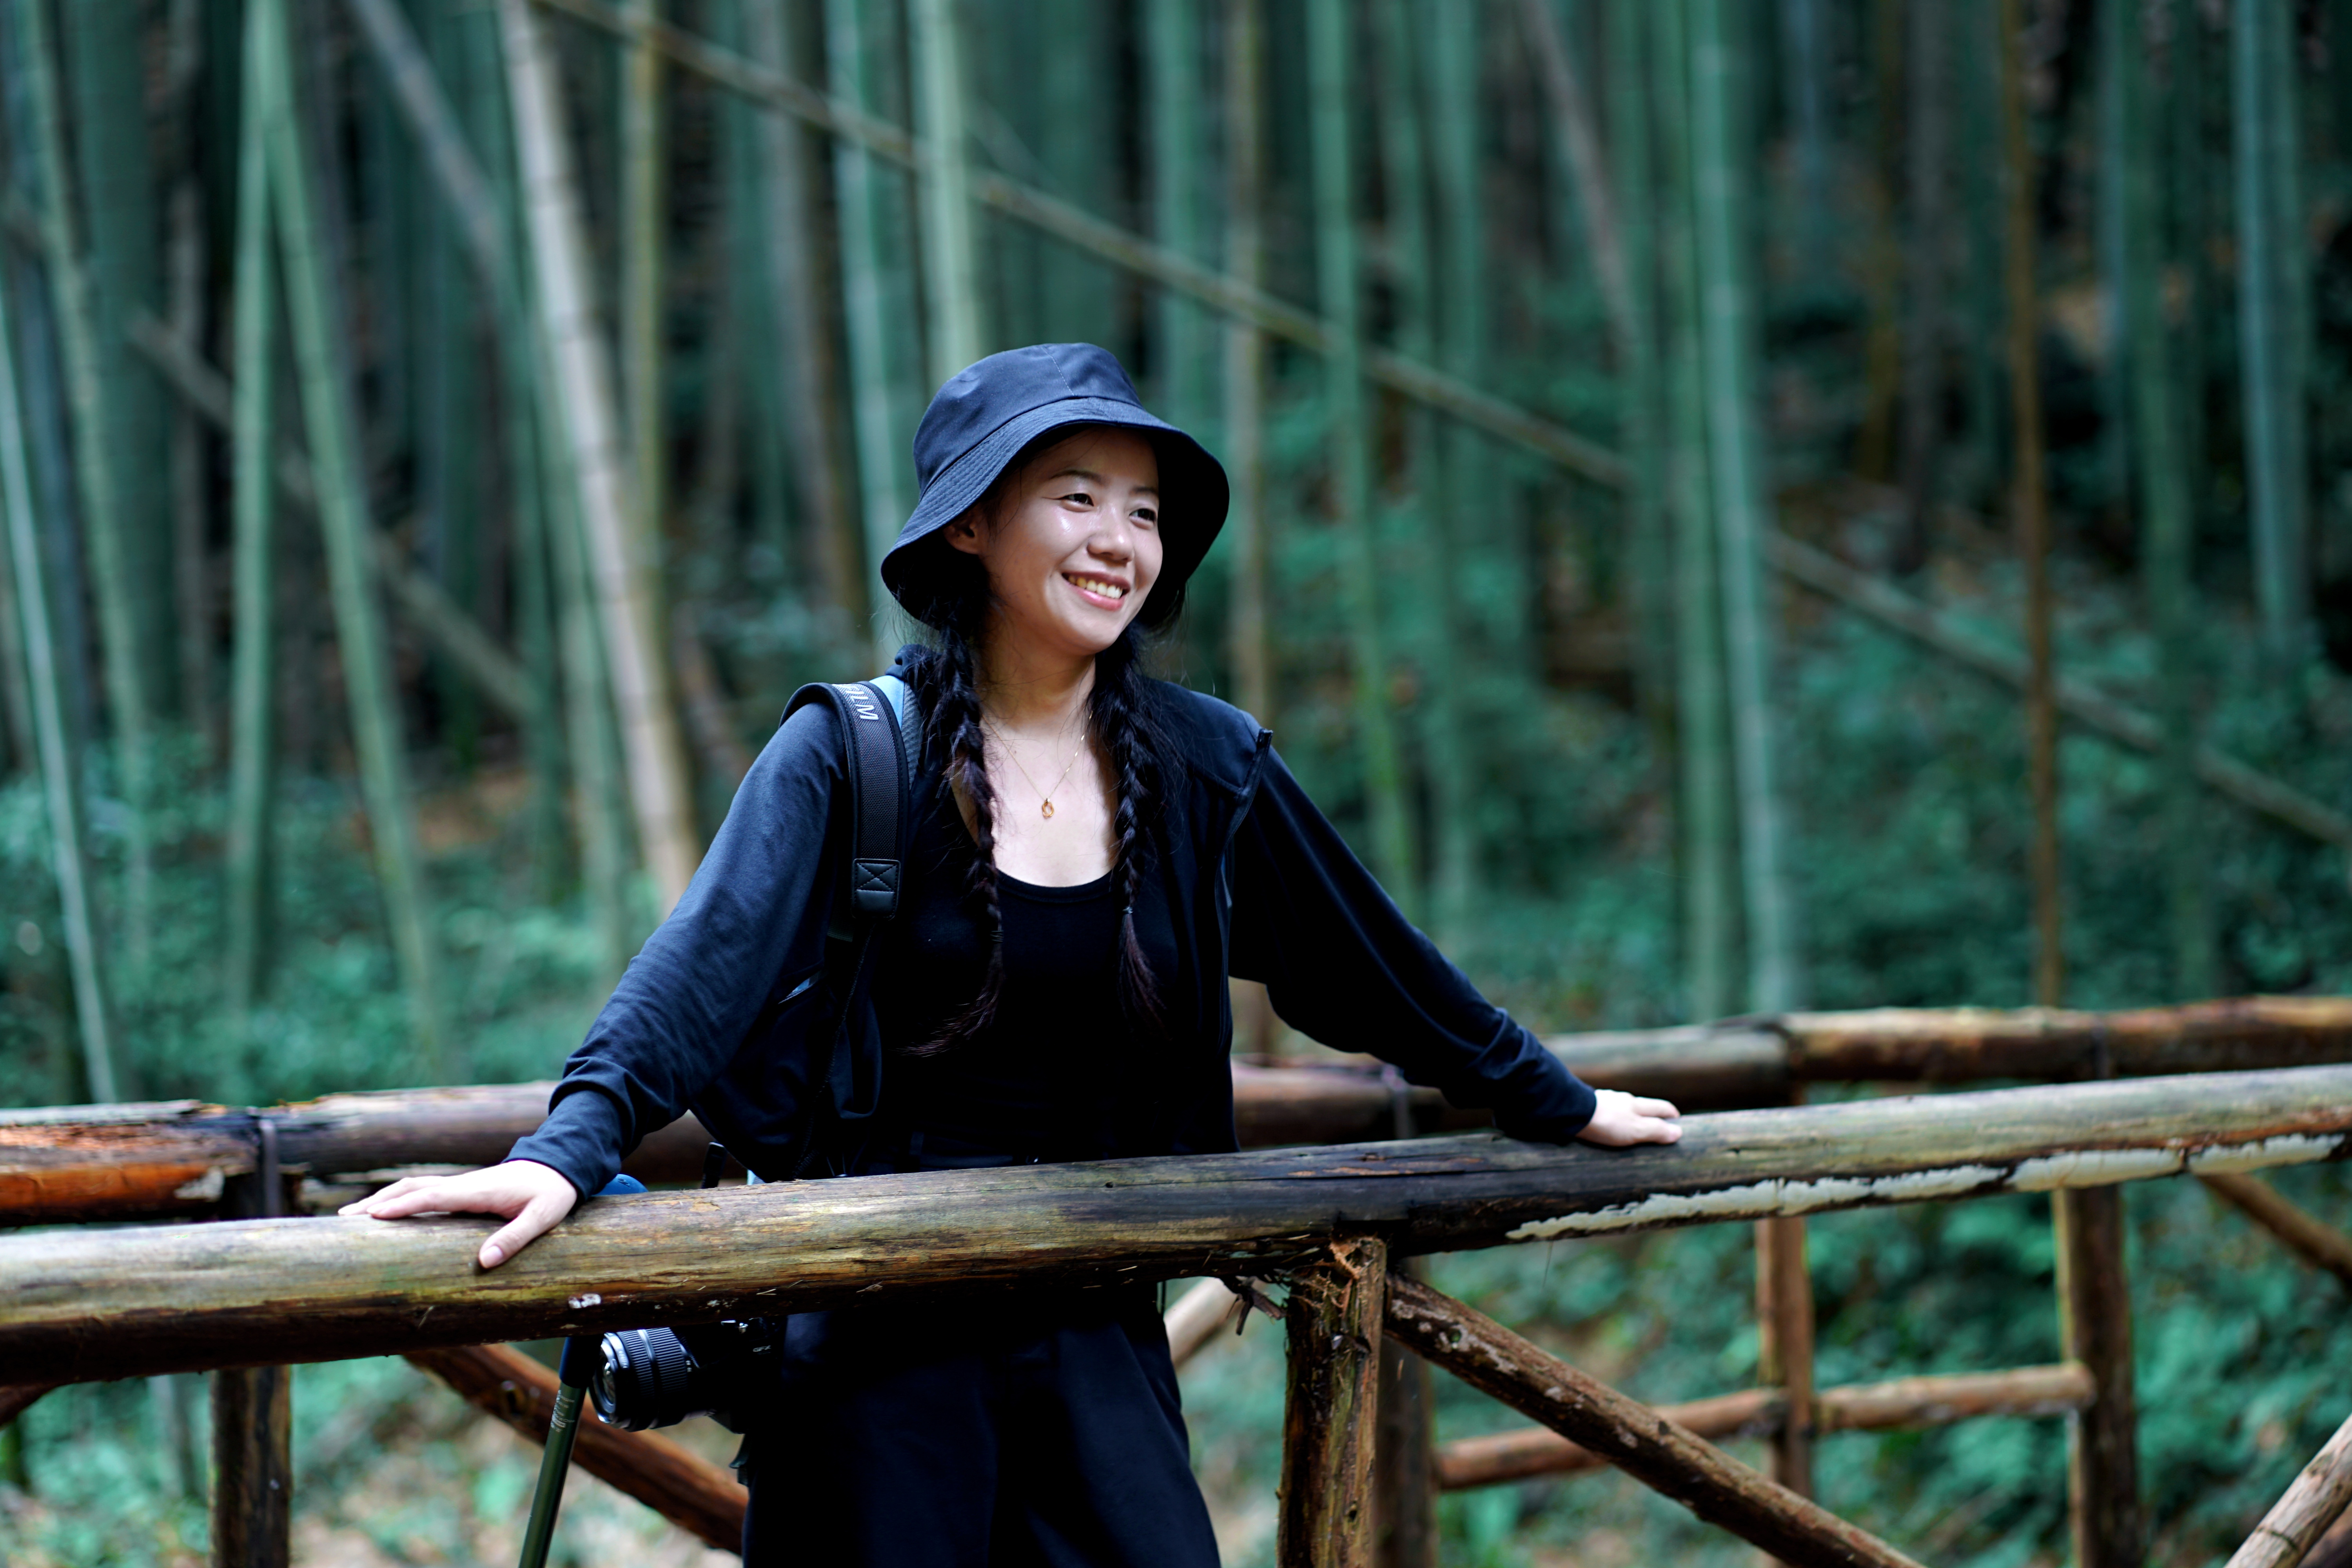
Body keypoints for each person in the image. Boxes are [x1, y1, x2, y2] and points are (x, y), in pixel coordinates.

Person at [343, 343, 1681, 1566]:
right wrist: (564, 1151)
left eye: (1145, 512)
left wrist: (1550, 1098)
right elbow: (705, 968)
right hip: (875, 1338)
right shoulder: (855, 754)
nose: (1119, 541)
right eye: (1077, 497)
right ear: (972, 524)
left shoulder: (1206, 766)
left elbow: (1373, 963)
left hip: (1099, 1335)